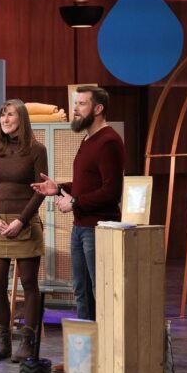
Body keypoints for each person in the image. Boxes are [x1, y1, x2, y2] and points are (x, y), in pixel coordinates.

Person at [31, 86, 125, 322]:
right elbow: (88, 184)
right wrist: (58, 188)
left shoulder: (109, 141)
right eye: (75, 104)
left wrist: (74, 202)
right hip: (80, 227)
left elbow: (112, 191)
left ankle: (104, 340)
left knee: (99, 292)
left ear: (98, 108)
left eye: (82, 104)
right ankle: (86, 343)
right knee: (82, 292)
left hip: (98, 230)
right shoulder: (87, 139)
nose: (75, 109)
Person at [0, 99, 48, 363]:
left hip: (25, 224)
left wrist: (21, 220)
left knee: (29, 284)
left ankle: (28, 342)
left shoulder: (37, 150)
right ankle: (3, 341)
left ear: (21, 118)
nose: (5, 120)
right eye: (2, 115)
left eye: (10, 115)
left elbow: (40, 191)